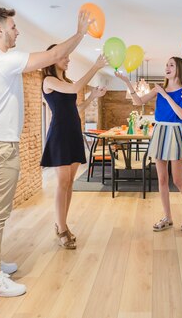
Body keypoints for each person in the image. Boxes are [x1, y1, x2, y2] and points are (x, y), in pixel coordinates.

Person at [0, 6, 91, 296]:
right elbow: (50, 57)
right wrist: (80, 34)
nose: (17, 31)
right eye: (12, 27)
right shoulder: (1, 60)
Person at [115, 57, 182, 231]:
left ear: (179, 69)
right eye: (166, 64)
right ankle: (167, 217)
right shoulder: (158, 89)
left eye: (171, 65)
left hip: (175, 132)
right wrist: (128, 83)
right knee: (162, 179)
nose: (167, 67)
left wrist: (166, 95)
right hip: (159, 131)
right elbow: (138, 102)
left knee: (178, 180)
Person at [40, 48, 107, 249]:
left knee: (70, 183)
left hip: (73, 133)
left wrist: (92, 97)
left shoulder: (67, 83)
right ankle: (61, 228)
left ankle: (63, 224)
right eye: (64, 56)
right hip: (60, 134)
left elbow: (75, 108)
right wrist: (95, 66)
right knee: (62, 183)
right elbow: (78, 86)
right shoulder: (49, 81)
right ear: (53, 59)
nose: (68, 59)